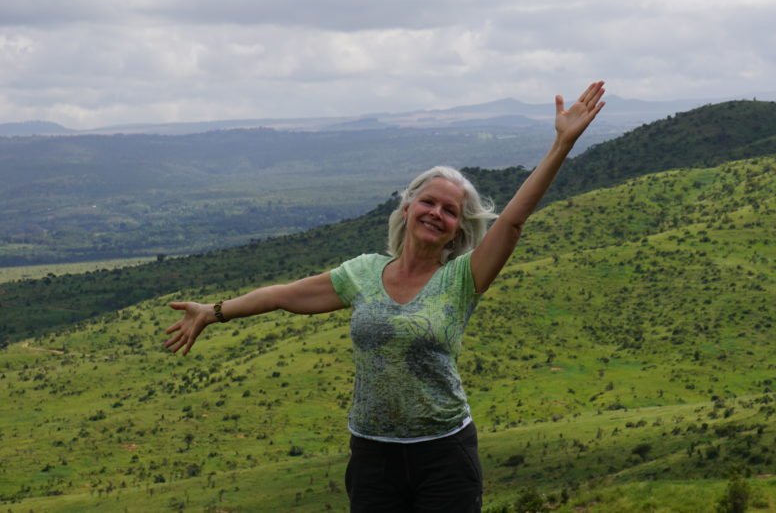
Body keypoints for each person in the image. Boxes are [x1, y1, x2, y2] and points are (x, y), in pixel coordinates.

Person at [163, 81, 605, 512]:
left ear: (459, 228)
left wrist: (561, 145)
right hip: (373, 455)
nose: (437, 214)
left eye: (450, 211)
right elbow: (282, 296)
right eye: (429, 202)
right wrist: (213, 312)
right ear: (408, 206)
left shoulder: (462, 278)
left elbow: (511, 222)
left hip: (445, 454)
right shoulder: (363, 273)